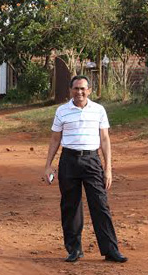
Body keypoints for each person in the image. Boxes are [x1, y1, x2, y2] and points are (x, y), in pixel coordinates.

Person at [44, 75, 127, 263]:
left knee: (100, 204)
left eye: (83, 89)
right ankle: (74, 249)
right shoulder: (62, 111)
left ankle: (111, 250)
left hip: (92, 160)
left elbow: (105, 139)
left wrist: (108, 169)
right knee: (70, 206)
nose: (79, 92)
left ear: (89, 90)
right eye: (76, 88)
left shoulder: (99, 110)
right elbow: (55, 139)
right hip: (69, 160)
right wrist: (48, 165)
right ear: (70, 90)